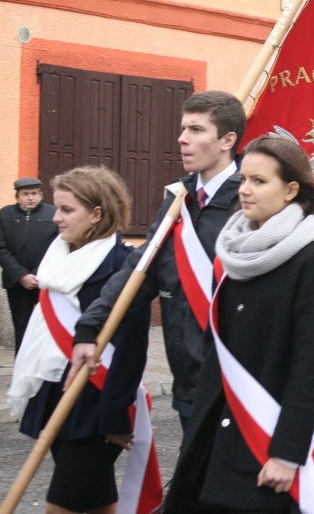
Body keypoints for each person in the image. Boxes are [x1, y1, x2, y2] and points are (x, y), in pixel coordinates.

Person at [162, 136, 314, 512]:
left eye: (259, 181)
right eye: (244, 179)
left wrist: (287, 454)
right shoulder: (232, 252)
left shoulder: (311, 263)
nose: (245, 190)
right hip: (214, 436)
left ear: (291, 189)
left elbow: (308, 369)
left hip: (266, 439)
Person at [68, 90, 245, 428]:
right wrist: (90, 326)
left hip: (233, 383)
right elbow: (140, 270)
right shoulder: (178, 200)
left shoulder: (248, 202)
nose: (182, 139)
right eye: (182, 129)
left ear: (227, 140)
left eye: (195, 130)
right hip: (188, 380)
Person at [7, 166, 150, 513]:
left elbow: (132, 349)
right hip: (56, 394)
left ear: (96, 214)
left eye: (67, 210)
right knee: (97, 498)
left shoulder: (123, 266)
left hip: (97, 406)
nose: (55, 218)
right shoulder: (57, 259)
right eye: (57, 208)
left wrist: (116, 417)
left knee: (63, 502)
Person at [0, 177, 57, 353]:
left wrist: (38, 273)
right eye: (25, 194)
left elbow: (58, 248)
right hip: (17, 283)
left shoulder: (53, 214)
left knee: (48, 327)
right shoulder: (5, 215)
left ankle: (45, 373)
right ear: (17, 197)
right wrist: (21, 275)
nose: (30, 197)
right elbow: (1, 248)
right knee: (22, 327)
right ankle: (21, 374)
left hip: (46, 281)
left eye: (34, 193)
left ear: (41, 195)